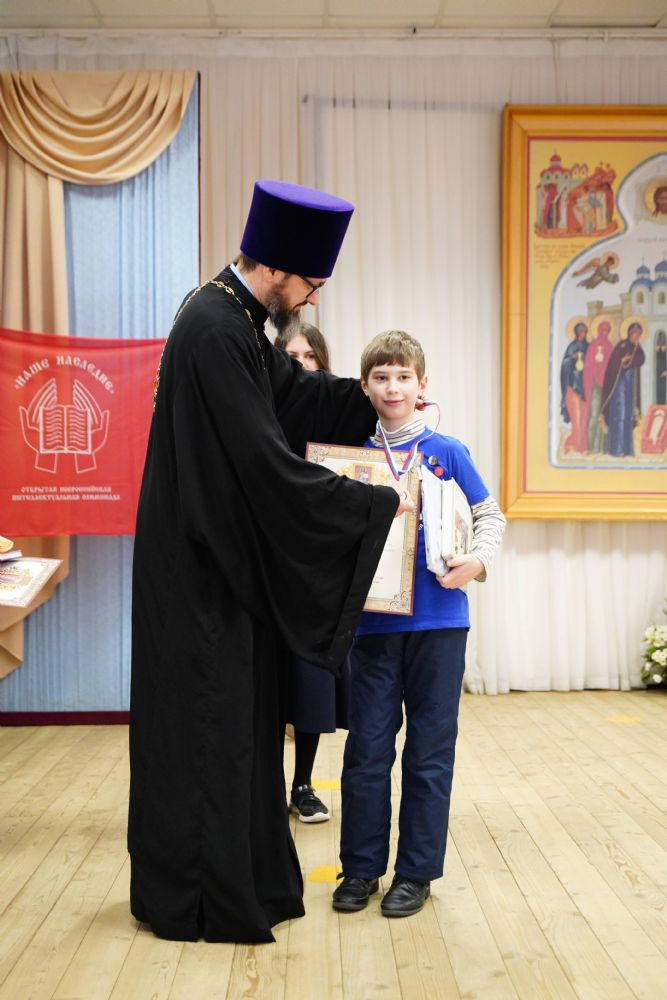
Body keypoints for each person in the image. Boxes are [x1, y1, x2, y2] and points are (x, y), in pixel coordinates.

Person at [129, 180, 414, 944]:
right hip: (200, 576)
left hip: (218, 568)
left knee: (237, 729)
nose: (314, 297)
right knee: (209, 730)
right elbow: (260, 462)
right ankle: (201, 897)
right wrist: (367, 505)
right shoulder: (214, 327)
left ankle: (246, 878)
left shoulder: (232, 318)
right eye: (312, 281)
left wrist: (373, 401)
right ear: (280, 267)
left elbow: (291, 397)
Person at [332, 330, 505, 919]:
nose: (393, 387)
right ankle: (360, 869)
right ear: (365, 386)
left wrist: (479, 562)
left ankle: (415, 874)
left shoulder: (447, 450)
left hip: (440, 626)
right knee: (366, 751)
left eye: (403, 376)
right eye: (381, 377)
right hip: (373, 628)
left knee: (429, 754)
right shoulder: (351, 458)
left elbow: (490, 515)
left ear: (421, 384)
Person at [273, 322, 343, 823]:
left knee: (311, 678)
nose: (300, 364)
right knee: (265, 679)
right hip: (266, 561)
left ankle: (303, 784)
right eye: (290, 355)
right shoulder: (258, 410)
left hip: (317, 567)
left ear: (322, 362)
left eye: (308, 356)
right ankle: (263, 789)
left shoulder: (335, 417)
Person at [601, 321, 646, 457]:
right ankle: (616, 449)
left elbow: (641, 358)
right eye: (635, 333)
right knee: (619, 415)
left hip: (630, 385)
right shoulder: (622, 345)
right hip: (619, 384)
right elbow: (614, 363)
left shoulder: (637, 348)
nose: (636, 336)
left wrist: (631, 359)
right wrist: (622, 360)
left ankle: (627, 449)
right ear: (630, 333)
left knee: (628, 415)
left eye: (639, 334)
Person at [584, 319, 614, 453]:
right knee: (594, 414)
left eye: (607, 330)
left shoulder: (610, 345)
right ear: (599, 330)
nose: (605, 333)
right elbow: (588, 365)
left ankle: (601, 448)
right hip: (596, 384)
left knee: (604, 415)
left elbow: (612, 364)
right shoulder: (593, 345)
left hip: (607, 385)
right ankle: (590, 447)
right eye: (603, 330)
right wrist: (596, 363)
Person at [560, 320, 589, 453]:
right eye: (580, 331)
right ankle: (573, 444)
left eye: (584, 331)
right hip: (573, 385)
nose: (582, 334)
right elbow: (565, 364)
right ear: (576, 332)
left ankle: (582, 445)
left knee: (584, 417)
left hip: (585, 385)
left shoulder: (588, 346)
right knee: (576, 418)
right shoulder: (572, 346)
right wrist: (572, 357)